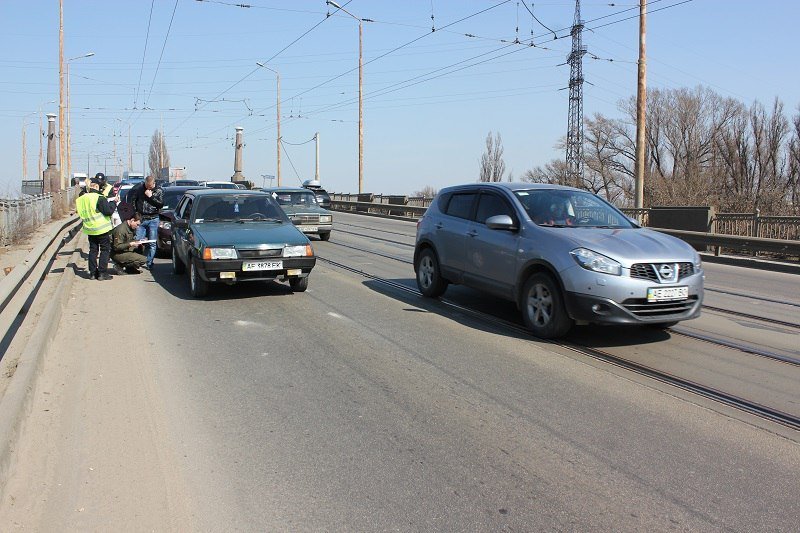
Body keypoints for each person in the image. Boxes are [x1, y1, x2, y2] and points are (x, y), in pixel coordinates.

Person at [75, 177, 116, 280]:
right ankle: (102, 273)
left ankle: (92, 273)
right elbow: (108, 211)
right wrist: (114, 202)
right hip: (101, 229)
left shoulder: (81, 199)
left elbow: (80, 212)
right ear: (97, 186)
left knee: (93, 250)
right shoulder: (99, 197)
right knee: (104, 250)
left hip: (90, 229)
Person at [127, 175, 164, 270]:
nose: (148, 188)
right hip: (142, 218)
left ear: (153, 183)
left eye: (150, 186)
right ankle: (133, 261)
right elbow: (133, 200)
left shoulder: (159, 191)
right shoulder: (140, 189)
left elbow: (160, 205)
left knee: (152, 242)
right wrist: (135, 213)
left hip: (153, 218)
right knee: (137, 241)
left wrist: (151, 197)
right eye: (147, 186)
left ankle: (149, 262)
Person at [110, 207, 147, 273]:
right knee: (143, 260)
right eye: (137, 224)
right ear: (132, 220)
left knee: (141, 247)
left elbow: (130, 239)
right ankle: (119, 265)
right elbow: (116, 247)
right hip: (117, 253)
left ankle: (130, 268)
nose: (137, 227)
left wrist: (139, 241)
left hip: (125, 250)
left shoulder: (131, 228)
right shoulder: (121, 230)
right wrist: (131, 244)